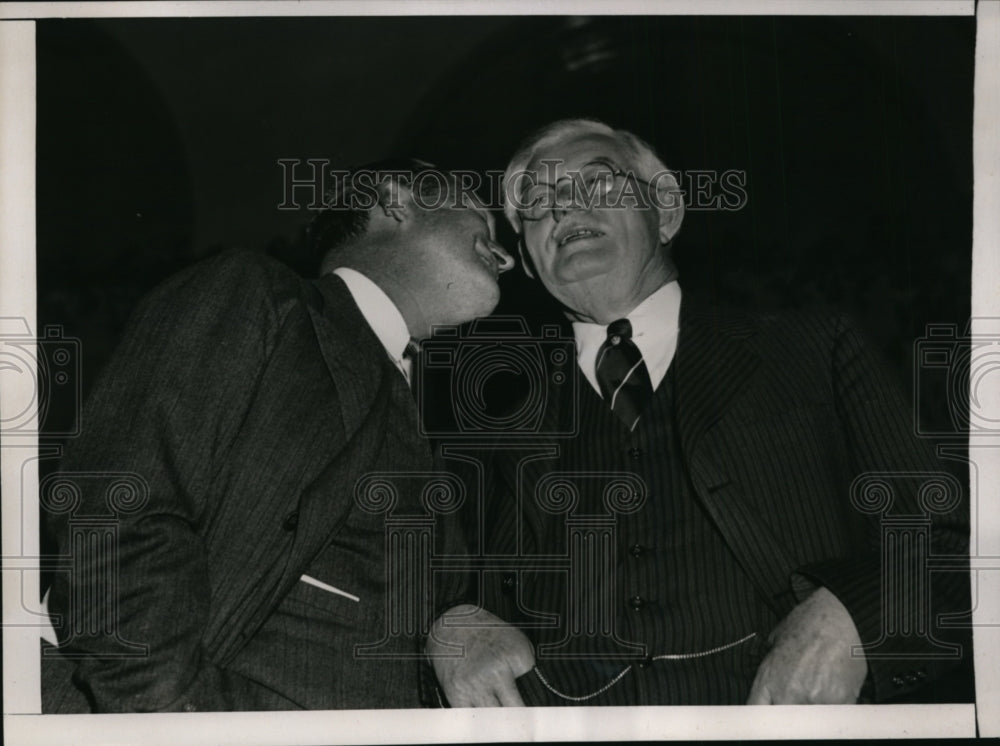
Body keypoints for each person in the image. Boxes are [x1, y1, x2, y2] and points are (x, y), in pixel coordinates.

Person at [426, 120, 970, 706]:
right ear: (528, 262)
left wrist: (854, 623)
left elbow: (951, 541)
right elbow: (435, 587)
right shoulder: (487, 426)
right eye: (537, 202)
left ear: (666, 213)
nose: (565, 208)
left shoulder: (813, 349)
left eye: (600, 184)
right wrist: (448, 628)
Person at [41, 158, 514, 712]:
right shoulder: (257, 295)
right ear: (396, 200)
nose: (504, 257)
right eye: (478, 214)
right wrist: (173, 721)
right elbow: (118, 507)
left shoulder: (431, 421)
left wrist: (454, 620)